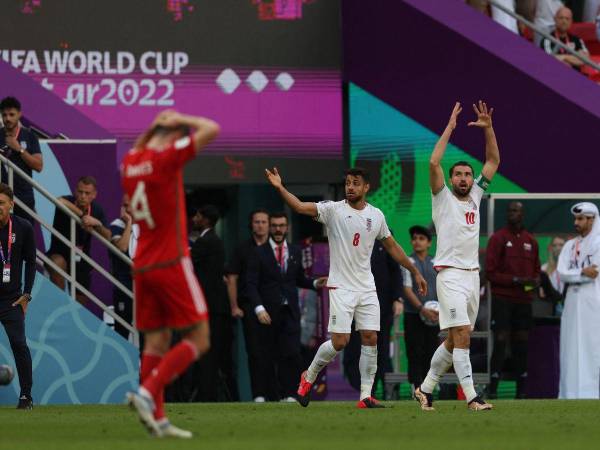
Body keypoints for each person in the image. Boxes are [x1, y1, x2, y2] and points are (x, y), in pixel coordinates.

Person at [265, 166, 427, 409]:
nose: (350, 187)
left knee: (371, 338)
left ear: (366, 187)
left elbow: (392, 247)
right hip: (341, 287)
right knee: (340, 341)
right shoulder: (333, 210)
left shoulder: (377, 216)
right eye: (348, 183)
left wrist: (414, 271)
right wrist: (280, 187)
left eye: (355, 183)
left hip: (367, 287)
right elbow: (299, 206)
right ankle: (308, 376)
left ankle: (365, 396)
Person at [122, 110, 220, 438]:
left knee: (157, 339)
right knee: (200, 337)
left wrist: (154, 126)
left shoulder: (131, 162)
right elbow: (212, 127)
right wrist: (181, 117)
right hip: (171, 261)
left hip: (143, 265)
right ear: (170, 136)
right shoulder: (166, 159)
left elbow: (140, 146)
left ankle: (158, 420)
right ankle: (148, 392)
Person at [414, 101, 500, 412]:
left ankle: (424, 390)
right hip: (449, 274)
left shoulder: (476, 194)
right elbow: (434, 163)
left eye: (467, 174)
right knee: (463, 334)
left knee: (453, 341)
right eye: (459, 175)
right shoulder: (442, 198)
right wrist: (450, 128)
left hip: (472, 276)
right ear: (451, 180)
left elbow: (492, 160)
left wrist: (488, 129)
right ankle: (472, 397)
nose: (464, 179)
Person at [246, 212, 326, 401]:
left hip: (290, 312)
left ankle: (290, 394)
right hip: (267, 312)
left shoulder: (295, 250)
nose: (278, 229)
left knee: (291, 354)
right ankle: (263, 395)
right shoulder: (258, 252)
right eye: (275, 225)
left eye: (282, 225)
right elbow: (250, 284)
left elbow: (297, 279)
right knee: (265, 355)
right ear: (270, 228)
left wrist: (314, 284)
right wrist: (259, 309)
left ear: (287, 228)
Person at [485, 202, 541, 399]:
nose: (512, 214)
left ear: (523, 214)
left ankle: (521, 390)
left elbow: (536, 273)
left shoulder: (531, 241)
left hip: (523, 301)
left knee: (522, 342)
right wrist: (515, 280)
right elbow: (490, 273)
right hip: (503, 299)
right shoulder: (498, 238)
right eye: (509, 211)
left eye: (516, 211)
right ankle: (493, 388)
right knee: (500, 340)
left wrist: (532, 284)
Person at [342, 238, 404, 399]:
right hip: (355, 304)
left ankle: (381, 391)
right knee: (355, 348)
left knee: (381, 350)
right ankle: (361, 390)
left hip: (382, 307)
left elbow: (395, 270)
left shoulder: (384, 234)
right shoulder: (350, 233)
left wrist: (397, 298)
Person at [190, 204, 237, 401]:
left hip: (211, 308)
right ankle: (214, 394)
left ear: (206, 220)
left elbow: (186, 262)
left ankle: (208, 395)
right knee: (216, 354)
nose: (194, 218)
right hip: (216, 308)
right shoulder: (212, 240)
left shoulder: (205, 242)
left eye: (198, 215)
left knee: (208, 354)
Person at [225, 208, 270, 402]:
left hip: (273, 305)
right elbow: (232, 278)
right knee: (254, 351)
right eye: (257, 222)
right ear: (251, 224)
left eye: (263, 222)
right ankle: (259, 394)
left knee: (275, 351)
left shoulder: (276, 248)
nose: (260, 225)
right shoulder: (242, 249)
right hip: (249, 306)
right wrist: (234, 306)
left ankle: (277, 393)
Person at [557, 202, 600, 399]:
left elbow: (596, 273)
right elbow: (561, 273)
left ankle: (591, 395)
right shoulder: (569, 245)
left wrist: (577, 273)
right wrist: (582, 272)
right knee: (569, 349)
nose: (576, 222)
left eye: (581, 219)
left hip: (593, 300)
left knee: (592, 349)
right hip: (572, 302)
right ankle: (569, 395)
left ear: (592, 220)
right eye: (576, 219)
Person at [46, 176, 111, 305]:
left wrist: (96, 223)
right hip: (59, 252)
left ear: (94, 195)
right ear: (75, 191)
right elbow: (59, 201)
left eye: (87, 193)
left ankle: (72, 318)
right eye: (80, 192)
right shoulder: (68, 200)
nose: (82, 196)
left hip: (81, 259)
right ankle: (59, 306)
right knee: (58, 263)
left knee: (80, 305)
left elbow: (108, 236)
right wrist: (82, 216)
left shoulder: (97, 209)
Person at [0, 184, 36, 409]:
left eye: (2, 203)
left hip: (11, 299)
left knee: (19, 345)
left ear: (11, 204)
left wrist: (27, 295)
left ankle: (26, 396)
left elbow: (31, 262)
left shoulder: (23, 228)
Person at [402, 225, 440, 393]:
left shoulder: (436, 263)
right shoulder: (408, 262)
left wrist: (440, 311)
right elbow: (406, 288)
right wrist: (421, 308)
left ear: (429, 243)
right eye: (414, 238)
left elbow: (443, 288)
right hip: (413, 314)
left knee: (431, 352)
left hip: (434, 316)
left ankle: (428, 388)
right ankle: (415, 387)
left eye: (421, 239)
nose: (417, 242)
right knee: (414, 351)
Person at [0, 97, 43, 224]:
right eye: (4, 115)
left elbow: (39, 166)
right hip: (1, 196)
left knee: (24, 235)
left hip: (24, 195)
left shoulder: (30, 136)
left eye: (12, 114)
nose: (8, 119)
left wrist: (19, 149)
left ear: (19, 114)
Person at [109, 195, 138, 340]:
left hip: (142, 286)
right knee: (121, 330)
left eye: (129, 205)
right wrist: (129, 224)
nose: (126, 209)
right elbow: (122, 246)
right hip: (124, 285)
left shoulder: (146, 226)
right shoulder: (116, 225)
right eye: (124, 205)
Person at [540, 7, 590, 71]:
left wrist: (563, 57)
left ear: (571, 21)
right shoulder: (547, 40)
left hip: (577, 77)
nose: (564, 21)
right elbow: (550, 60)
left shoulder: (577, 40)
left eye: (567, 19)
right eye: (561, 18)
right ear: (555, 19)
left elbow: (586, 59)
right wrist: (575, 58)